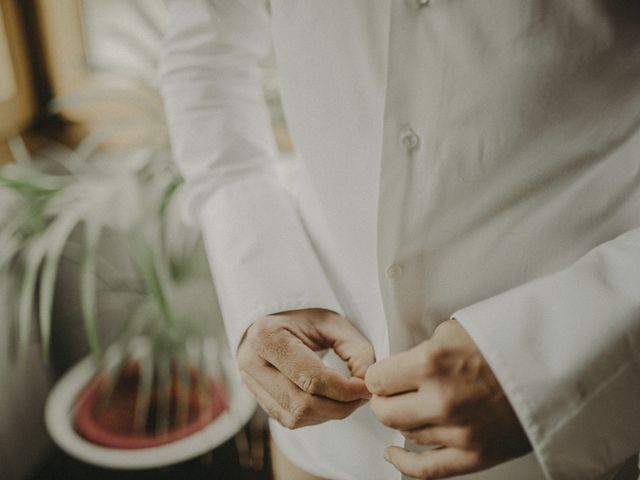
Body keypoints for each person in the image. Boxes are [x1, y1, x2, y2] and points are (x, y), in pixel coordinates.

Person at [160, 1, 640, 479]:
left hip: (554, 437)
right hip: (320, 439)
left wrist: (535, 362)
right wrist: (265, 289)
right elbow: (207, 64)